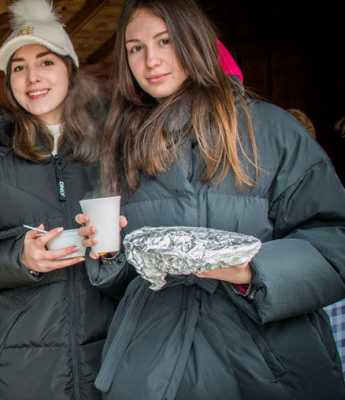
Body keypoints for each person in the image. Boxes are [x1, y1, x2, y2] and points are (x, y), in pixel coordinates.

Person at [84, 0, 345, 398]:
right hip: (152, 363)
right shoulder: (123, 145)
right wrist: (107, 252)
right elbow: (123, 278)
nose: (151, 59)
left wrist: (253, 272)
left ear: (194, 41)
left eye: (165, 40)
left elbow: (336, 241)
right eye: (135, 47)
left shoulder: (272, 130)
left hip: (266, 361)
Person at [0, 0, 132, 398]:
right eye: (18, 68)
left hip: (112, 355)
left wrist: (114, 252)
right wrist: (20, 259)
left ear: (69, 70)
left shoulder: (112, 148)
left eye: (45, 62)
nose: (32, 78)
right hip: (23, 367)